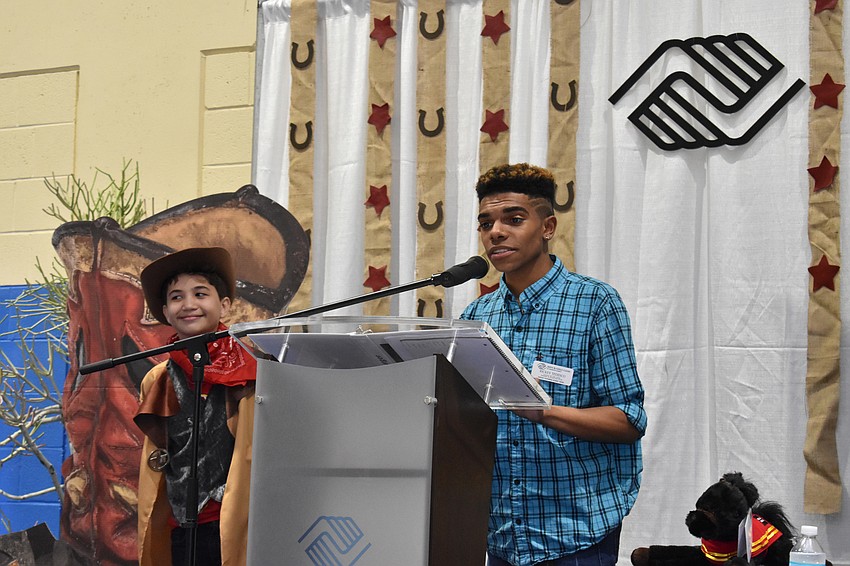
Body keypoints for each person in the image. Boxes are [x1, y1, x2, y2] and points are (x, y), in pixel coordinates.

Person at [461, 163, 647, 566]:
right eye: (486, 223)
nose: (495, 232)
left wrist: (543, 412)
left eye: (513, 219)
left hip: (575, 533)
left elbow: (629, 420)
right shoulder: (476, 318)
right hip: (503, 534)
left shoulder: (595, 303)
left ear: (547, 227)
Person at [134, 247, 256, 566]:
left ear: (224, 304)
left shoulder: (255, 371)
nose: (188, 305)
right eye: (176, 297)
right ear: (165, 310)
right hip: (181, 529)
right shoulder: (157, 380)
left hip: (239, 527)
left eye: (200, 293)